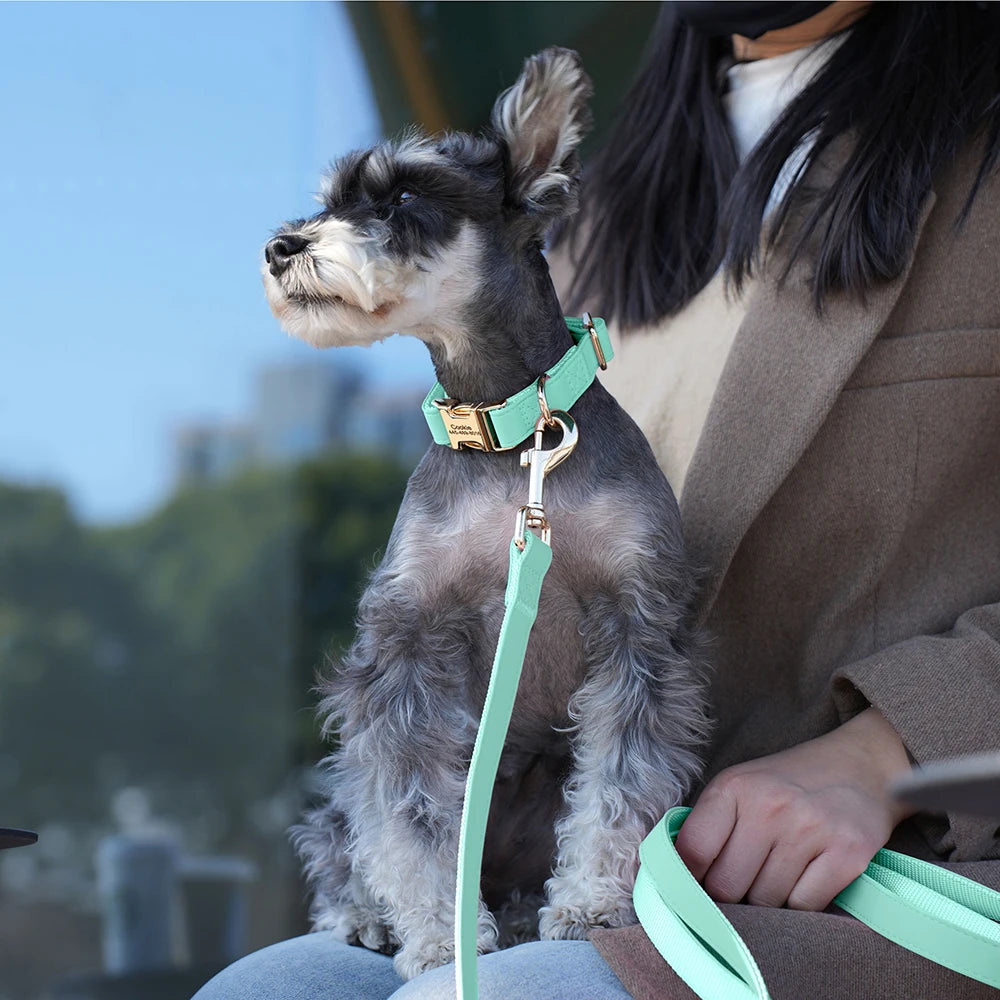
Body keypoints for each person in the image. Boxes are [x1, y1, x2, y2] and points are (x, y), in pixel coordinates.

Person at [193, 3, 1000, 997]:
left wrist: (888, 750)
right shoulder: (582, 225)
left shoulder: (980, 156)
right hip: (538, 864)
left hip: (887, 872)